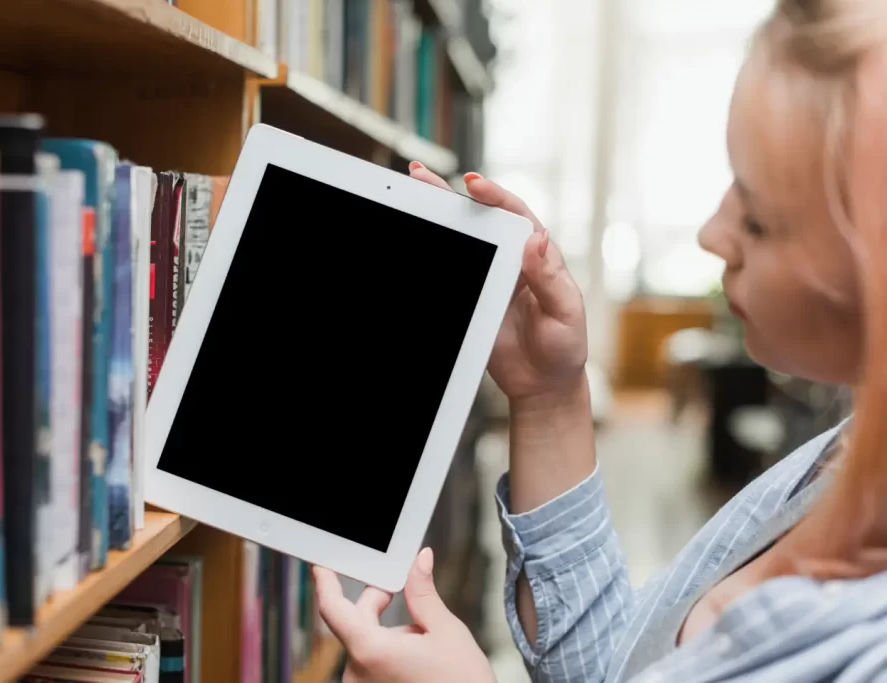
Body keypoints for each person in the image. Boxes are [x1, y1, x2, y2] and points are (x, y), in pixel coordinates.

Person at [312, 0, 887, 680]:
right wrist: (549, 394)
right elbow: (620, 668)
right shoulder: (846, 460)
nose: (711, 233)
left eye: (757, 217)